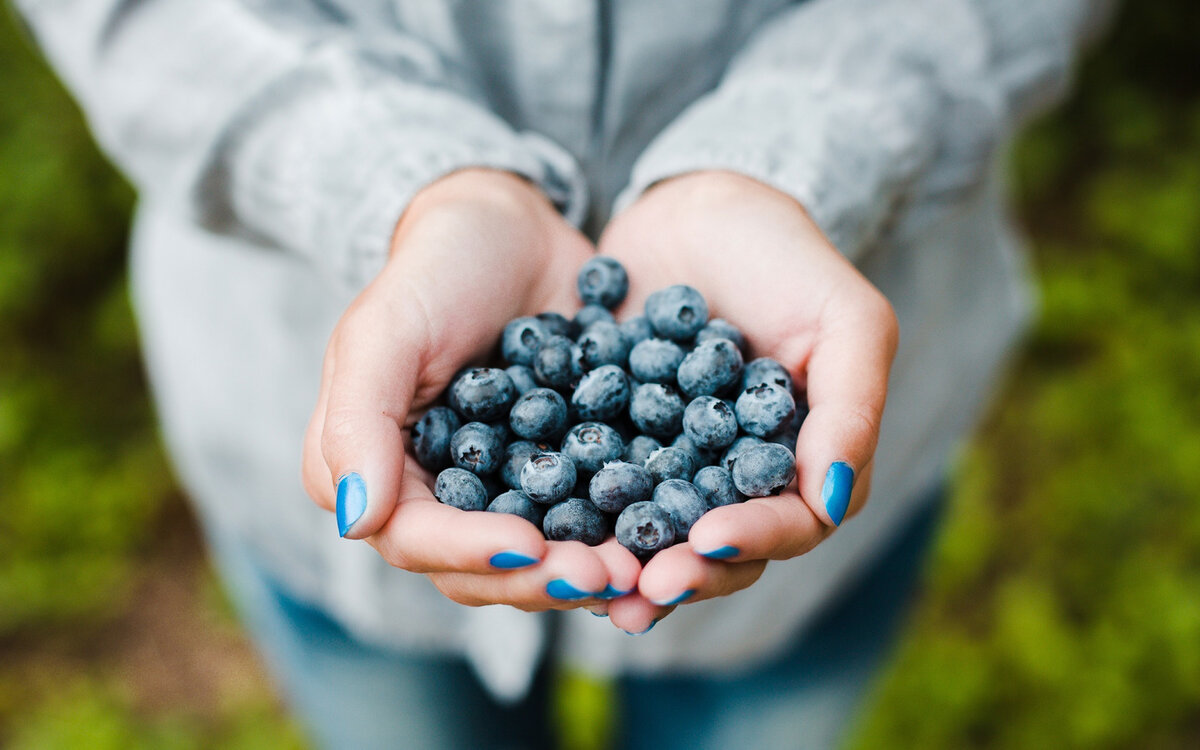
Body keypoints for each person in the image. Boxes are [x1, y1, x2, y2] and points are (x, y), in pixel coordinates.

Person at [16, 0, 1108, 747]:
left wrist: (797, 153)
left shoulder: (691, 400)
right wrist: (397, 181)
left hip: (815, 523)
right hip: (296, 422)